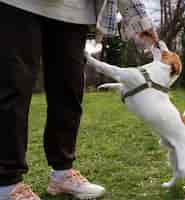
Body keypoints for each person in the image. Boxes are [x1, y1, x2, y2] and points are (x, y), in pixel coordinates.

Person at [0, 0, 158, 199]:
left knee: (69, 92)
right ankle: (7, 184)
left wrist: (140, 21)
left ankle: (62, 173)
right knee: (14, 88)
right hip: (20, 5)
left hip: (75, 12)